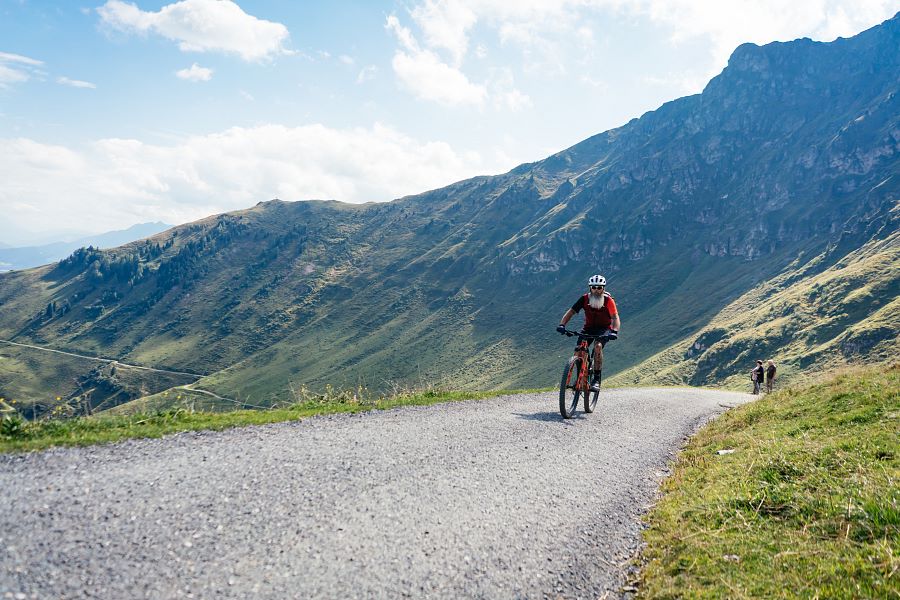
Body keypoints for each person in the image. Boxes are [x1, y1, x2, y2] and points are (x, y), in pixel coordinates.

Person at [557, 274, 620, 392]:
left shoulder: (608, 300)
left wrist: (614, 331)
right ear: (590, 288)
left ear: (603, 288)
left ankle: (596, 379)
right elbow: (571, 312)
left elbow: (615, 318)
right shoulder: (584, 299)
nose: (596, 290)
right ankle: (581, 378)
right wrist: (562, 324)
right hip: (588, 328)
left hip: (604, 329)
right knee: (578, 351)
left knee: (598, 346)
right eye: (594, 287)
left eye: (599, 287)